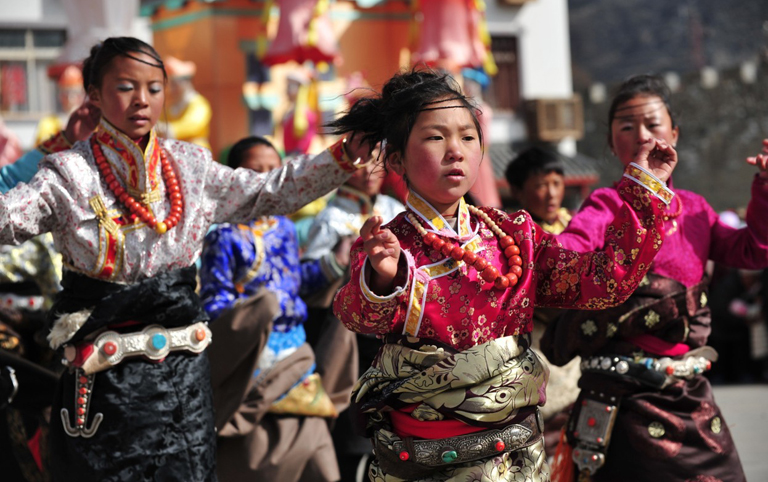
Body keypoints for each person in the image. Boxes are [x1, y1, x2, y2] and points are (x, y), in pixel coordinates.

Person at [0, 37, 369, 481]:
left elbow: (269, 190)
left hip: (185, 381)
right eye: (124, 87)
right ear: (94, 95)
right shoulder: (68, 175)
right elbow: (8, 217)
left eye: (154, 88)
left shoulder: (190, 165)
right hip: (107, 386)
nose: (142, 100)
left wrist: (344, 155)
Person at [328, 69, 678, 482]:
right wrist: (384, 278)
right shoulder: (389, 244)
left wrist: (645, 190)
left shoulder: (516, 235)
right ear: (397, 159)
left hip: (514, 459)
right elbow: (356, 315)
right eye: (436, 137)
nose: (455, 150)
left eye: (468, 137)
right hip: (421, 463)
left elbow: (603, 283)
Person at [542, 74, 768, 482]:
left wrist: (766, 190)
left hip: (688, 391)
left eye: (653, 124)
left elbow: (752, 249)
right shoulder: (605, 204)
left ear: (675, 134)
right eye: (627, 127)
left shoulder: (696, 208)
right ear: (613, 145)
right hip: (623, 397)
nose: (643, 136)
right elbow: (570, 252)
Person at [201, 136, 345, 482]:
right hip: (253, 357)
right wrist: (260, 310)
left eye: (273, 171)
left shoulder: (284, 227)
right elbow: (213, 302)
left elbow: (293, 283)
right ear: (232, 177)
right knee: (257, 458)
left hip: (295, 356)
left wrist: (337, 263)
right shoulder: (223, 236)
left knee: (320, 461)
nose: (266, 181)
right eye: (254, 171)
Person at [300, 143, 405, 482]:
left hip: (389, 330)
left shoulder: (393, 208)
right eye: (360, 163)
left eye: (375, 163)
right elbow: (311, 282)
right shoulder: (331, 217)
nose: (368, 172)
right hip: (349, 333)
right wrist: (341, 260)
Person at [504, 146, 580, 455]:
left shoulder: (579, 226)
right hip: (537, 344)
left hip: (580, 342)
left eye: (556, 183)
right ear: (518, 192)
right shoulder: (510, 237)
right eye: (540, 185)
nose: (551, 194)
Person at [161, 56, 212, 149]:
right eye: (169, 85)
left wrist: (170, 129)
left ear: (186, 82)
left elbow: (193, 124)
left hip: (195, 151)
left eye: (175, 84)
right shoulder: (170, 105)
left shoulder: (198, 103)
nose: (171, 89)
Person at [34, 65, 86, 146]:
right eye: (67, 93)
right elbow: (41, 151)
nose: (71, 98)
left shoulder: (91, 124)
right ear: (60, 95)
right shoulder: (48, 124)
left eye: (76, 93)